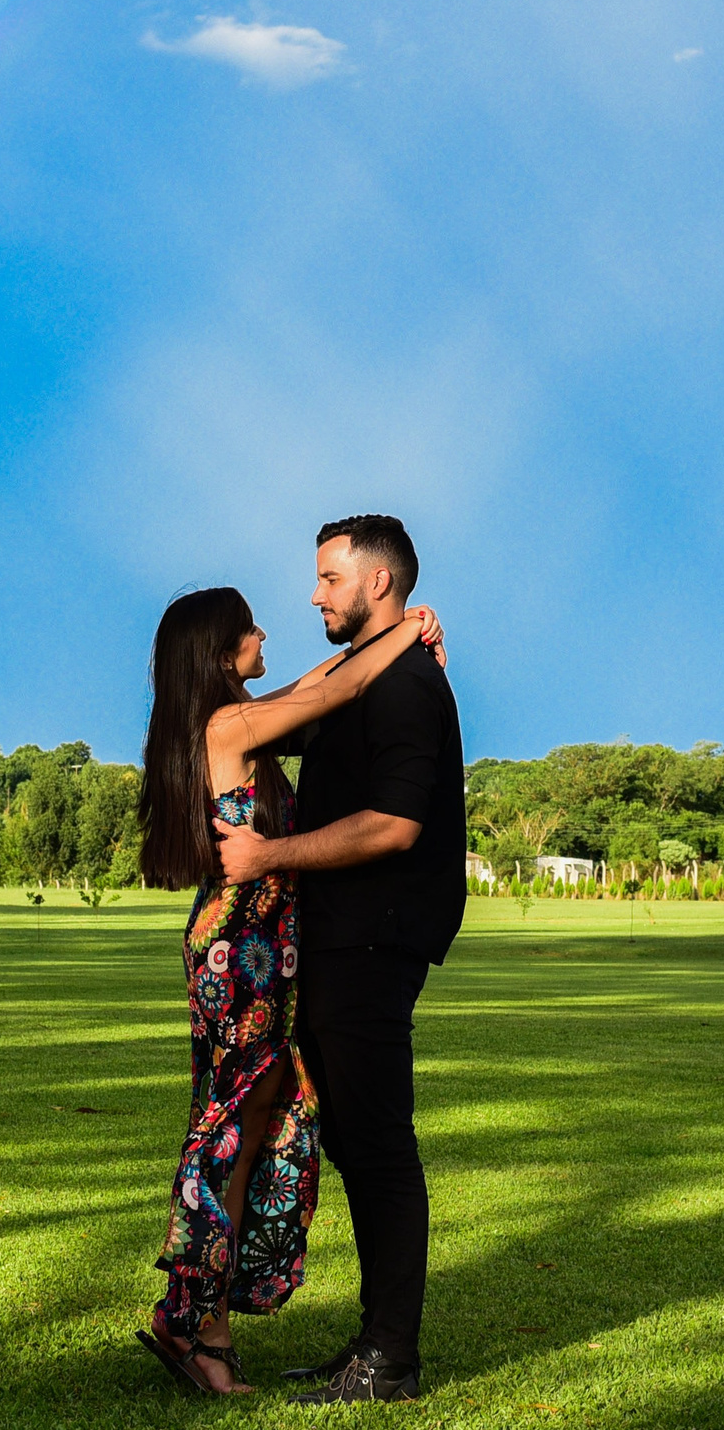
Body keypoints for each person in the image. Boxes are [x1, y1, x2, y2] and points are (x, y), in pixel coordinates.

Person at [134, 584, 445, 1396]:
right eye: (249, 627)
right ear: (220, 650)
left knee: (246, 1127)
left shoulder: (235, 719)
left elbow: (317, 683)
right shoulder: (227, 726)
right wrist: (408, 629)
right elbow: (341, 687)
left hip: (255, 948)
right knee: (228, 1131)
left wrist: (394, 634)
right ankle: (193, 1323)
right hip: (239, 949)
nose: (265, 630)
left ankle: (204, 1322)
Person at [215, 515, 465, 1407]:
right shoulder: (365, 674)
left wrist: (268, 856)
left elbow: (395, 825)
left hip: (373, 939)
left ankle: (390, 1360)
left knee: (380, 1144)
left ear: (378, 581)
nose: (315, 593)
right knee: (356, 1141)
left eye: (329, 577)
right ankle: (374, 1341)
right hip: (337, 939)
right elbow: (277, 714)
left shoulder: (406, 685)